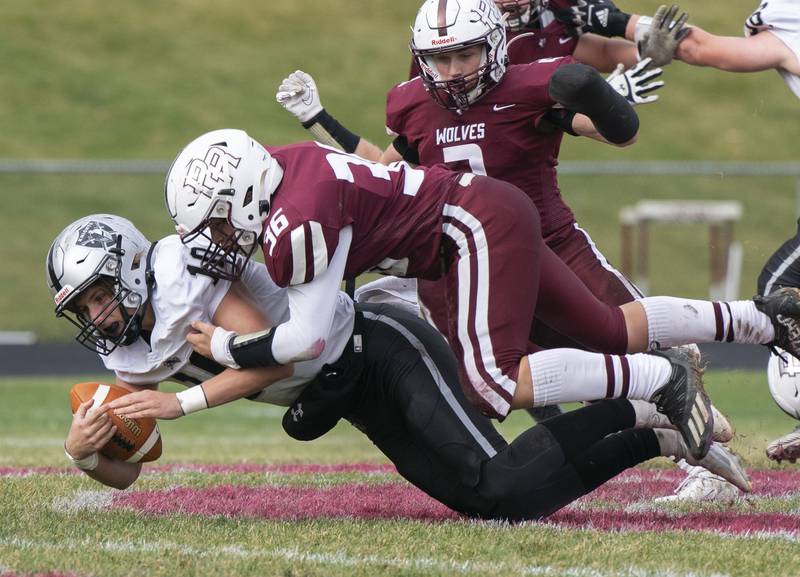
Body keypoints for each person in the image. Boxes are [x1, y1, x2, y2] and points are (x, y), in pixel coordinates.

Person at [46, 214, 750, 518]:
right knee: (495, 500)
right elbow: (133, 464)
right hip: (345, 389)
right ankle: (656, 433)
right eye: (86, 305)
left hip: (374, 345)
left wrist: (183, 403)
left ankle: (651, 396)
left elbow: (272, 353)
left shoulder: (181, 278)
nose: (99, 315)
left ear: (134, 266)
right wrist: (86, 454)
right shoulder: (126, 340)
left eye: (102, 294)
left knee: (497, 474)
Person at [164, 128, 800, 463]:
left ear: (243, 194)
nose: (222, 238)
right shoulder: (285, 164)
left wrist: (225, 344)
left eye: (219, 221)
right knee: (606, 328)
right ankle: (760, 319)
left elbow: (308, 338)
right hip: (480, 213)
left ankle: (658, 378)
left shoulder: (291, 222)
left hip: (462, 231)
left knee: (491, 385)